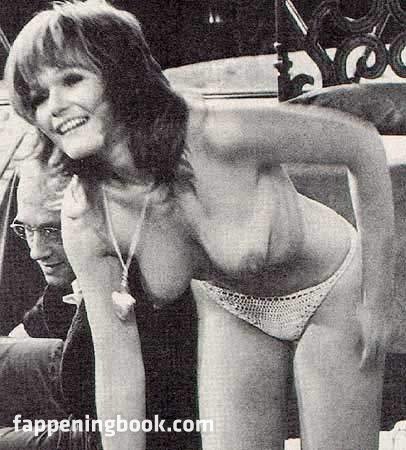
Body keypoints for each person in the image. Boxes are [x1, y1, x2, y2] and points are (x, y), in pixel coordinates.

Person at [5, 1, 395, 449]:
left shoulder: (216, 134)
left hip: (332, 292)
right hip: (233, 306)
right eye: (38, 97)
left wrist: (377, 299)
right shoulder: (86, 218)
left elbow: (362, 146)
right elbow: (118, 370)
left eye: (72, 80)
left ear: (121, 76)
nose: (55, 106)